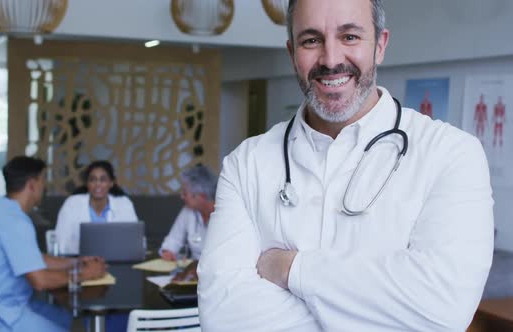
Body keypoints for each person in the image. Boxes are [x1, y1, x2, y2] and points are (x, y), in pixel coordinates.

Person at [197, 0, 494, 331]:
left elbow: (443, 310)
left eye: (350, 37)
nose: (331, 59)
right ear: (291, 52)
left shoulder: (451, 154)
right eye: (311, 40)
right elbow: (223, 318)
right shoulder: (246, 164)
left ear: (380, 45)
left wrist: (291, 269)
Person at [0, 156, 106, 332]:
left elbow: (32, 258)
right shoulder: (15, 221)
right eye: (42, 180)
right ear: (32, 184)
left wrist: (76, 262)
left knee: (67, 320)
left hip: (2, 305)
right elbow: (40, 281)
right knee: (72, 328)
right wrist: (84, 274)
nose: (43, 186)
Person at [55, 160, 139, 255]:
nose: (97, 184)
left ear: (111, 183)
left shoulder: (124, 204)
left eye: (103, 180)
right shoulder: (72, 204)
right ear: (87, 183)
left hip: (116, 260)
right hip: (80, 262)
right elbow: (61, 242)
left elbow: (134, 241)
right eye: (93, 180)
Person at [159, 165, 217, 281]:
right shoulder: (187, 211)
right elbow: (174, 239)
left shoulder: (224, 214)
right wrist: (168, 251)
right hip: (192, 276)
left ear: (201, 196)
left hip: (216, 276)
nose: (181, 196)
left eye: (185, 193)